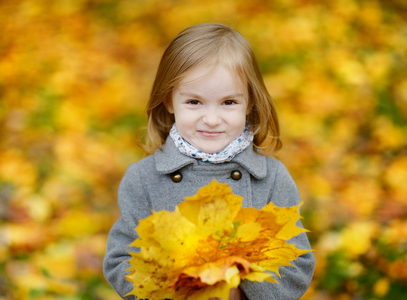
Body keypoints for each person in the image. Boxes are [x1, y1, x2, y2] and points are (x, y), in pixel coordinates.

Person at [103, 23, 315, 300]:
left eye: (228, 102)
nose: (212, 119)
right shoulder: (143, 178)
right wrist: (182, 291)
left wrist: (238, 286)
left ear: (250, 102)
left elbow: (297, 265)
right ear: (169, 100)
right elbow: (121, 261)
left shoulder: (272, 178)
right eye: (194, 102)